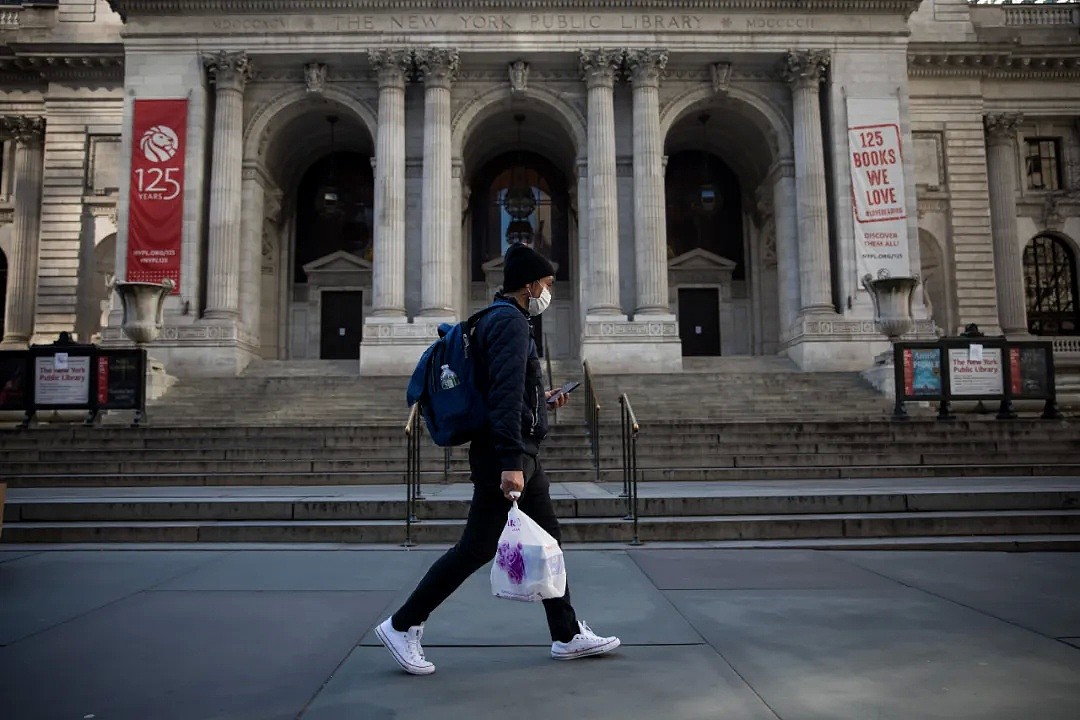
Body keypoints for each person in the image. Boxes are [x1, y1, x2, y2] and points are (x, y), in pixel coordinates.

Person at [375, 242, 620, 675]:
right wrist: (510, 462)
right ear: (529, 285)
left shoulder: (494, 318)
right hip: (505, 453)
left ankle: (566, 634)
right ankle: (402, 623)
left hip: (517, 448)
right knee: (475, 547)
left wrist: (539, 402)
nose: (548, 292)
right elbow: (504, 397)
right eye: (545, 284)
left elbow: (504, 391)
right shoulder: (510, 323)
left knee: (549, 540)